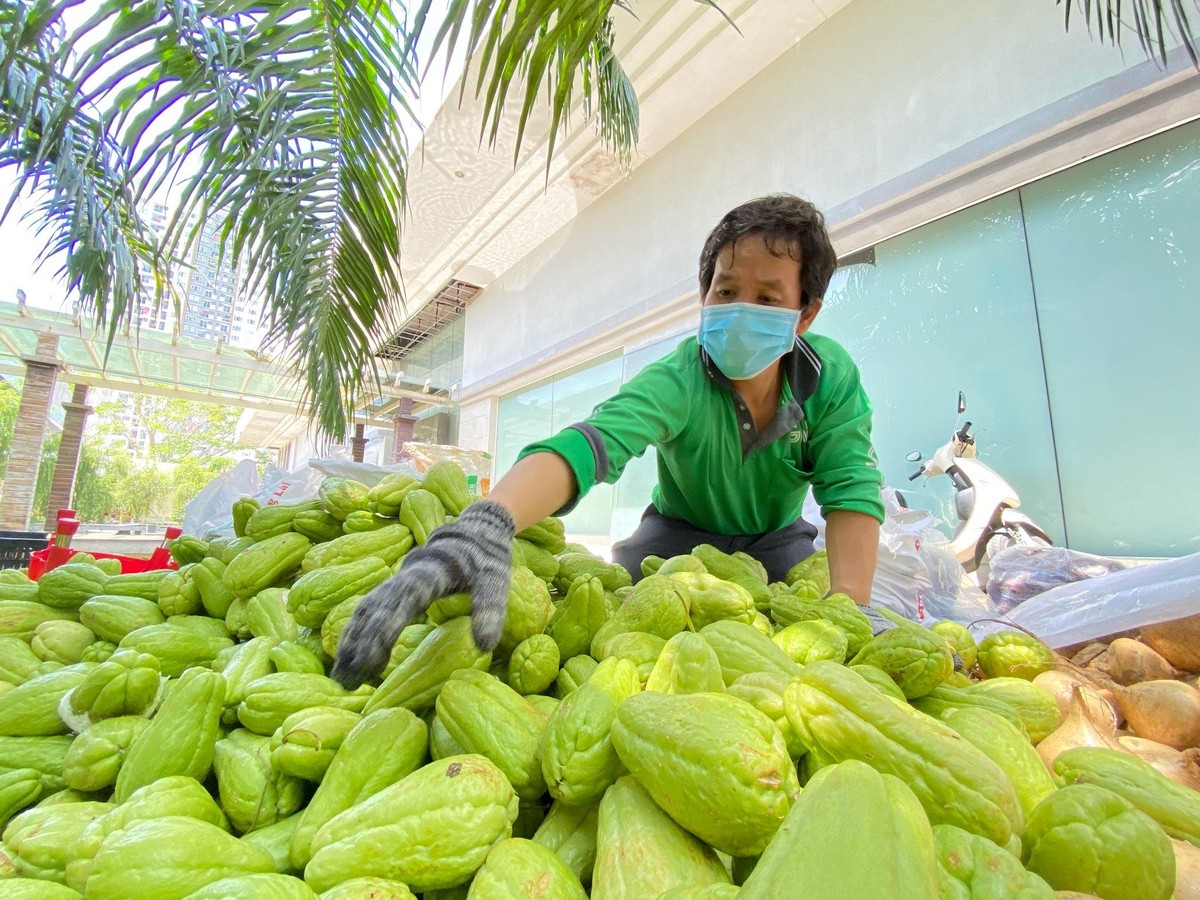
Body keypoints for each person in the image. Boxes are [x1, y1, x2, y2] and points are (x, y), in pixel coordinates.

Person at [332, 194, 886, 689]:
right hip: (675, 536)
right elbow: (592, 445)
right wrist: (489, 522)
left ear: (804, 313)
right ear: (704, 296)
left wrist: (849, 610)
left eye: (768, 298)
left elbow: (851, 487)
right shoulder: (679, 380)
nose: (742, 309)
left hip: (775, 539)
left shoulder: (829, 377)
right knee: (614, 615)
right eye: (727, 290)